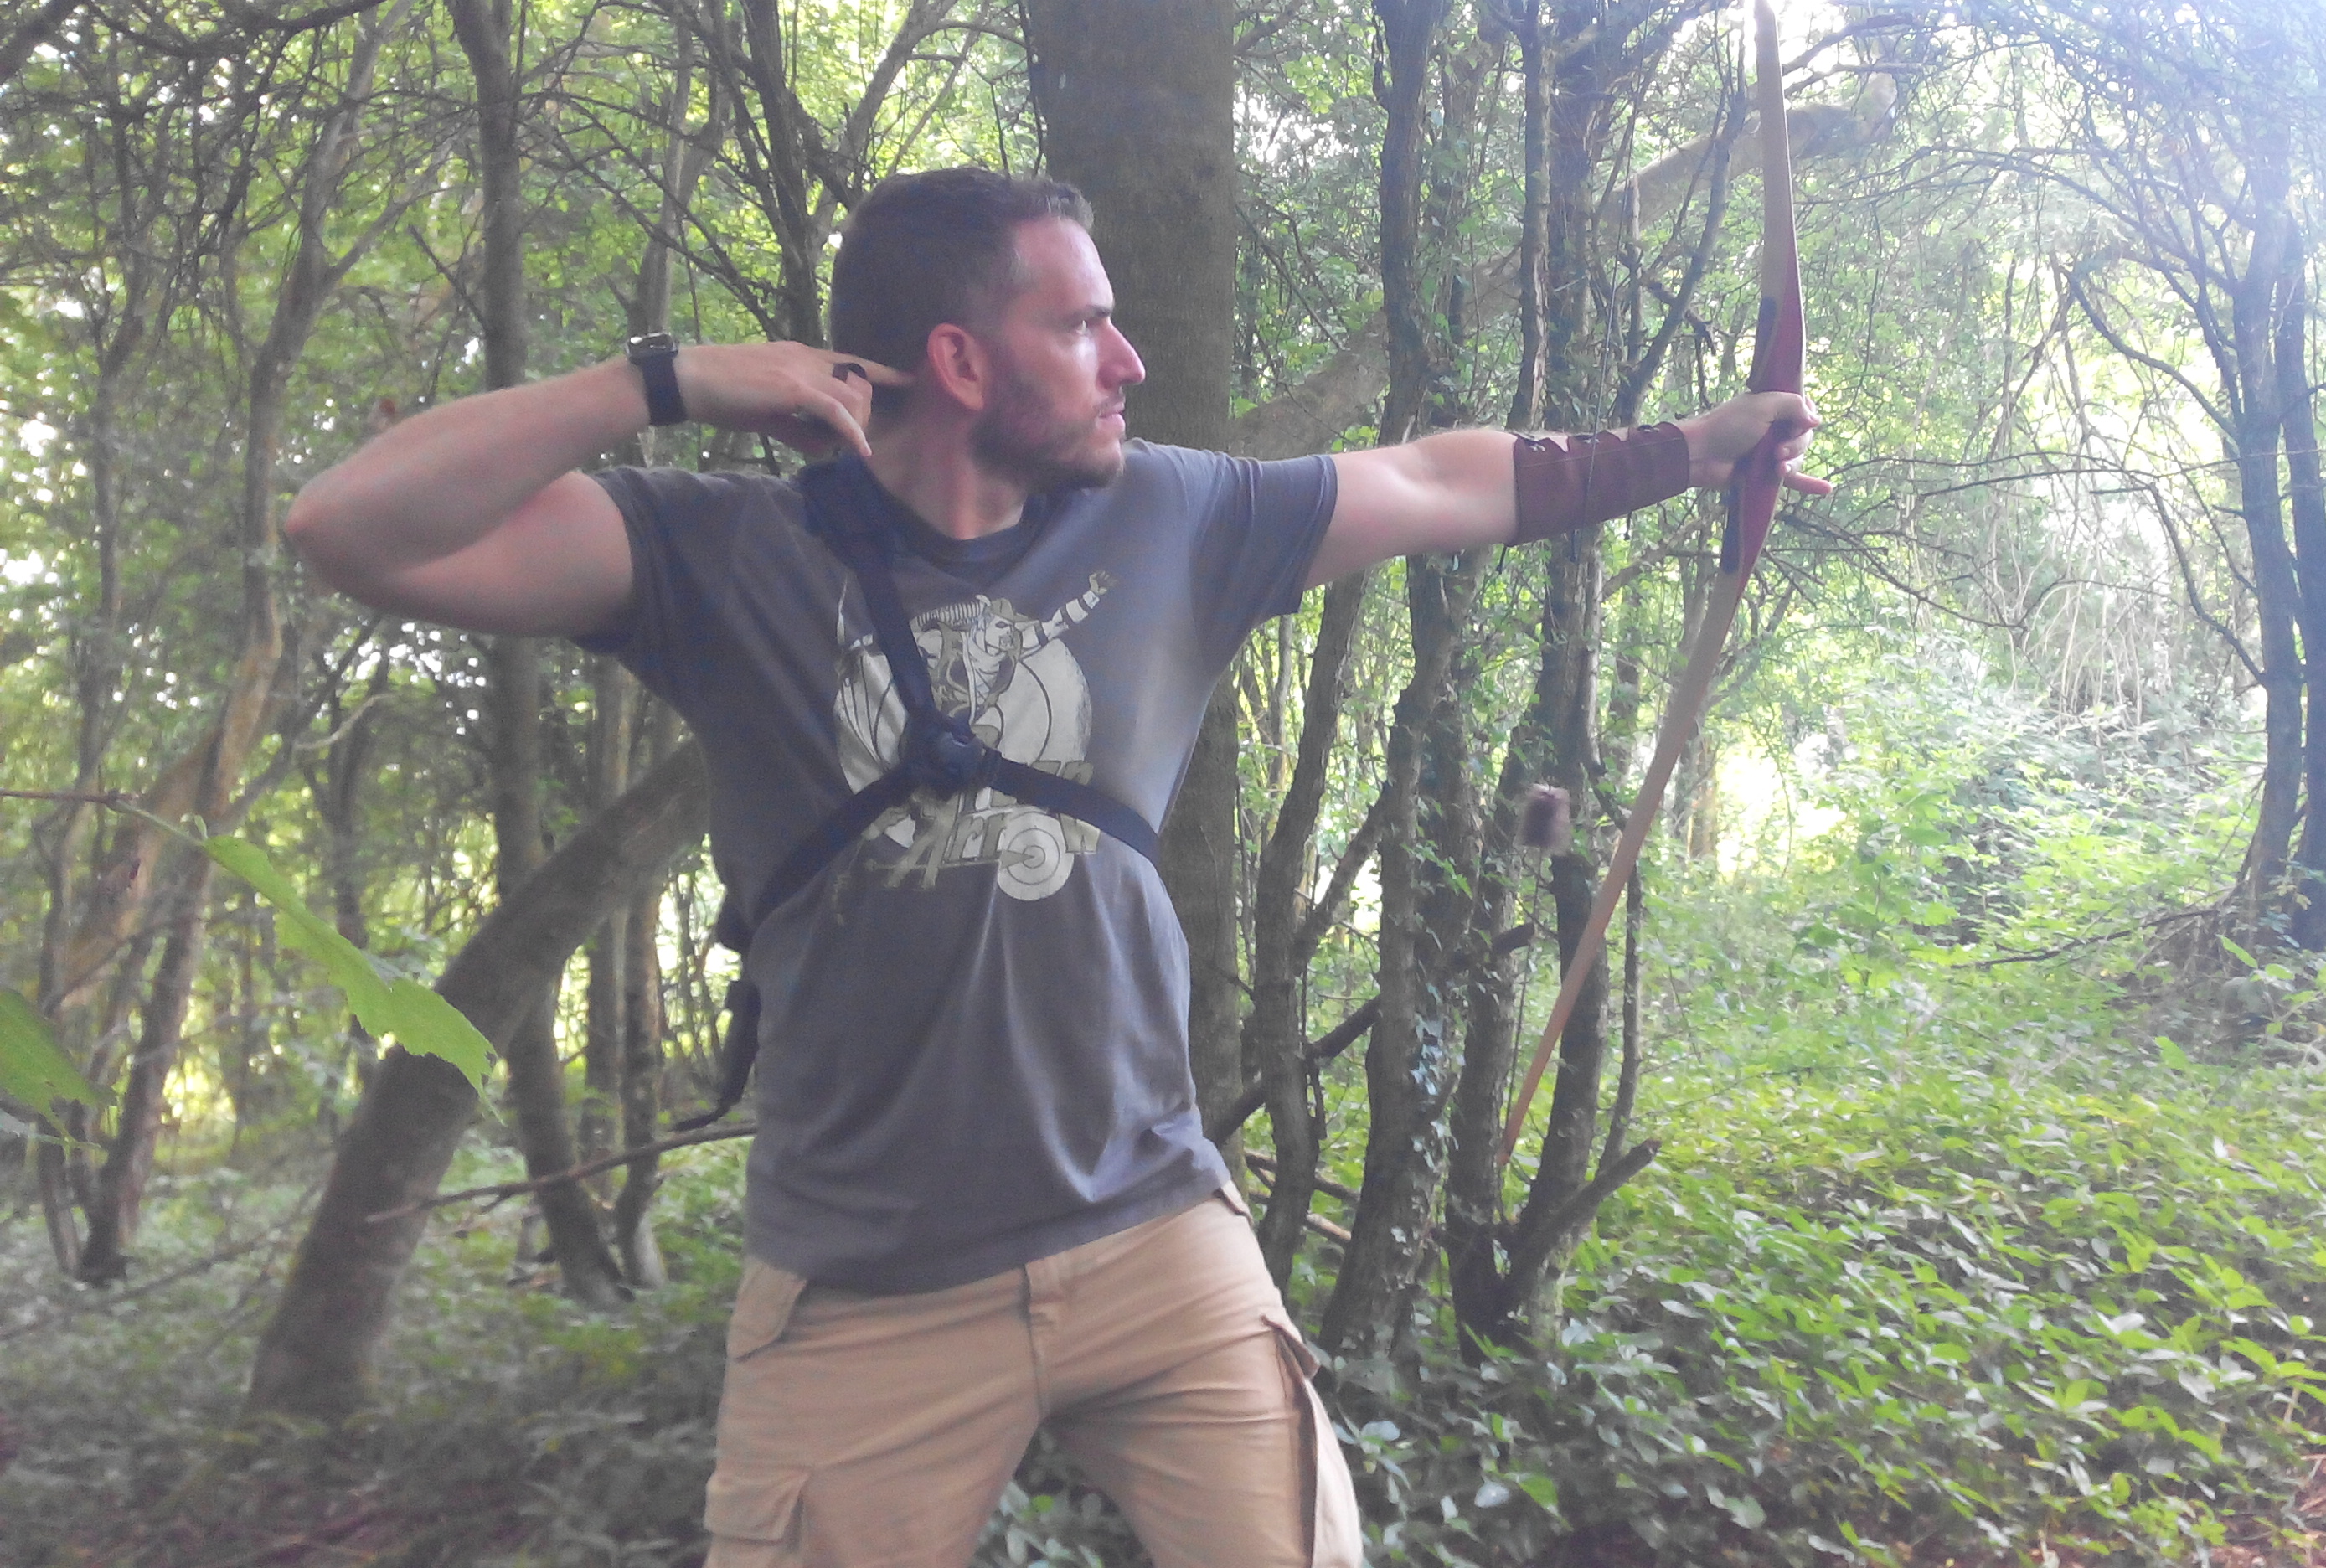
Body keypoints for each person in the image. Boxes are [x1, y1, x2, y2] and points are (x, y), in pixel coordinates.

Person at [283, 167, 1823, 1568]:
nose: (1127, 361)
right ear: (961, 361)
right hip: (865, 1295)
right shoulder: (719, 554)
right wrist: (662, 383)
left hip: (1158, 1237)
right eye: (1083, 325)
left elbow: (1434, 482)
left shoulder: (1172, 514)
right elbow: (353, 528)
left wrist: (1692, 451)